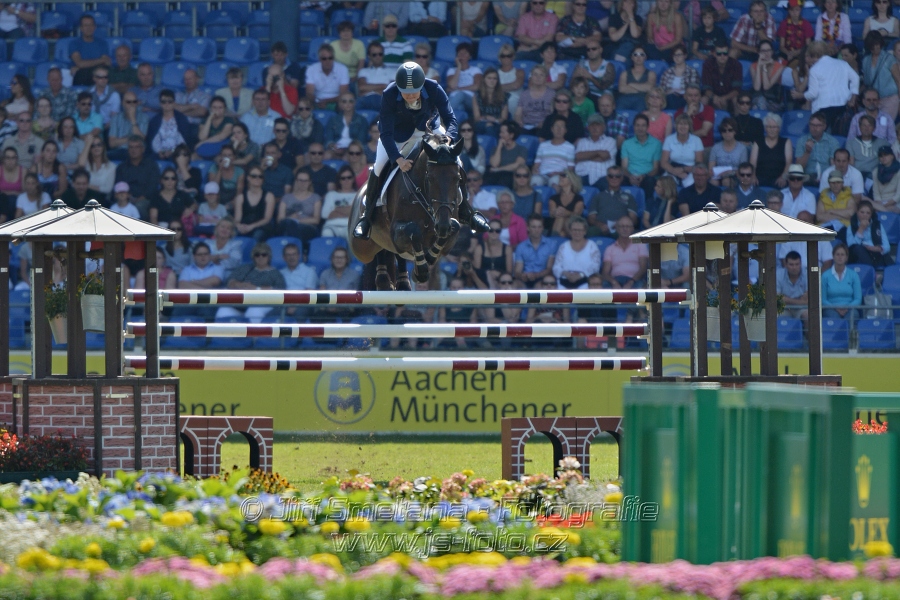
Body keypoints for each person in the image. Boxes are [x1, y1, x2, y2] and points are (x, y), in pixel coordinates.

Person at [352, 62, 491, 240]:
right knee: (379, 166)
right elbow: (385, 133)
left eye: (413, 91)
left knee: (456, 161)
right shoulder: (389, 94)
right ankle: (366, 218)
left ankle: (467, 212)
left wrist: (448, 136)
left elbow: (450, 118)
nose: (409, 96)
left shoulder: (433, 88)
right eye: (405, 92)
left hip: (429, 131)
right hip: (397, 135)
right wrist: (398, 159)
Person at [792, 41, 859, 130]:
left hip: (823, 109)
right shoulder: (842, 64)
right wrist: (853, 97)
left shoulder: (814, 70)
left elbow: (813, 94)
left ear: (814, 55)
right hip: (843, 107)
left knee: (820, 138)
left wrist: (801, 95)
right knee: (839, 139)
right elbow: (856, 78)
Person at [217, 242, 286, 323]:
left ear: (269, 256)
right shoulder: (245, 268)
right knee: (223, 311)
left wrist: (256, 289)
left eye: (264, 254)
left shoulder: (275, 273)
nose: (260, 257)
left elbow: (280, 290)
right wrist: (240, 285)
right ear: (253, 256)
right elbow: (229, 281)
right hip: (240, 303)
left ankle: (253, 335)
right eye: (257, 254)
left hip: (261, 303)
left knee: (253, 311)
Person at [587, 166, 638, 237]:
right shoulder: (598, 196)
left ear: (622, 178)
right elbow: (591, 218)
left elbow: (633, 219)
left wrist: (621, 224)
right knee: (587, 232)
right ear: (607, 178)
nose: (614, 178)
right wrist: (600, 225)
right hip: (600, 227)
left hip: (621, 228)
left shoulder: (629, 197)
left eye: (617, 176)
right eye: (611, 176)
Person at [114, 136, 159, 217]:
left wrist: (142, 198)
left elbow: (153, 186)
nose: (133, 150)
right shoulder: (121, 167)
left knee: (139, 206)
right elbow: (118, 186)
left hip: (146, 200)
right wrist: (127, 197)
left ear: (143, 149)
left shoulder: (151, 165)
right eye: (131, 147)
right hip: (125, 198)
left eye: (137, 147)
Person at [620, 113, 662, 199]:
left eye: (643, 125)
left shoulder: (656, 144)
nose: (640, 128)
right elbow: (624, 167)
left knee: (650, 181)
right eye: (637, 125)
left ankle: (646, 209)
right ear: (634, 127)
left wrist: (643, 176)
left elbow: (655, 169)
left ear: (647, 127)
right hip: (630, 176)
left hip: (647, 177)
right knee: (619, 179)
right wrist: (630, 177)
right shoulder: (626, 143)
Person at [600, 215, 647, 291]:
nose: (625, 229)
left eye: (628, 226)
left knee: (641, 287)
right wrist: (614, 282)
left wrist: (631, 282)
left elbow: (643, 268)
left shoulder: (640, 246)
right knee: (605, 286)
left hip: (635, 280)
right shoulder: (610, 248)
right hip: (615, 280)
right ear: (617, 229)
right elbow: (605, 273)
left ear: (632, 229)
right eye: (622, 226)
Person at [553, 216, 600, 289]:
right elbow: (556, 267)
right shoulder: (563, 246)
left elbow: (595, 267)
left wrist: (580, 275)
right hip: (564, 281)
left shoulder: (592, 246)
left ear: (585, 231)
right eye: (574, 230)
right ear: (570, 231)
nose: (577, 232)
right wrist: (566, 274)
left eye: (580, 230)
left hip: (585, 281)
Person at [844, 199, 892, 269]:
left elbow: (887, 246)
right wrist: (861, 229)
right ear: (857, 212)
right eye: (862, 212)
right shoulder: (851, 227)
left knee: (886, 256)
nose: (865, 215)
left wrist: (878, 249)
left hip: (876, 253)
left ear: (871, 214)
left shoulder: (877, 225)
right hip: (859, 256)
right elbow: (852, 246)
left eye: (868, 213)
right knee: (858, 249)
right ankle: (873, 273)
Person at [794, 111, 840, 186]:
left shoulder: (833, 142)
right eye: (812, 125)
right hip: (806, 178)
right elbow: (798, 167)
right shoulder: (802, 141)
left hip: (826, 178)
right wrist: (807, 152)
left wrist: (827, 176)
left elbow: (834, 166)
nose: (815, 128)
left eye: (818, 125)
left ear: (824, 126)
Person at [861, 32, 898, 122]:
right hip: (873, 100)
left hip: (889, 98)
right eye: (873, 45)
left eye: (877, 44)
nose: (876, 48)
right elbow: (866, 82)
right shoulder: (866, 60)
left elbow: (898, 79)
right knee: (872, 126)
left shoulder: (889, 58)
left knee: (884, 125)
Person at [277, 170, 322, 243]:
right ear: (296, 181)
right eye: (300, 180)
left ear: (309, 182)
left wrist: (296, 221)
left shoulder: (315, 198)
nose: (302, 183)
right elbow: (280, 219)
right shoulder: (286, 197)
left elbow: (316, 220)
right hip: (287, 226)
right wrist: (290, 219)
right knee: (288, 225)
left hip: (307, 227)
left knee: (292, 227)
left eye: (305, 181)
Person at [234, 164, 276, 242]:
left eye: (260, 176)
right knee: (234, 233)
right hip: (245, 226)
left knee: (257, 235)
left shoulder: (269, 196)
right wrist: (239, 226)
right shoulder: (240, 197)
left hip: (261, 227)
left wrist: (252, 226)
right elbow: (237, 218)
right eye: (254, 176)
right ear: (248, 178)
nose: (257, 178)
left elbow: (267, 219)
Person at [531, 116, 576, 187]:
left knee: (555, 181)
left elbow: (570, 168)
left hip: (559, 175)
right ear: (552, 129)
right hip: (542, 174)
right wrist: (534, 169)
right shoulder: (543, 145)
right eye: (556, 126)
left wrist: (559, 173)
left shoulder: (570, 147)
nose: (559, 129)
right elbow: (536, 164)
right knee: (535, 180)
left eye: (562, 127)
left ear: (565, 130)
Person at [751, 113, 792, 188]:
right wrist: (753, 176)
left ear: (779, 128)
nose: (772, 130)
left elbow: (788, 162)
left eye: (774, 127)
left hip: (779, 179)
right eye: (769, 127)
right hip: (760, 178)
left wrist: (783, 177)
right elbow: (753, 163)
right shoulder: (757, 142)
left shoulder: (786, 142)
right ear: (765, 128)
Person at [514, 214, 556, 288]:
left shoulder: (551, 244)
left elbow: (549, 269)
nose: (537, 230)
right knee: (514, 285)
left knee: (539, 286)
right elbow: (517, 271)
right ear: (528, 228)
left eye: (539, 227)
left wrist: (537, 275)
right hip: (525, 278)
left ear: (543, 228)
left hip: (542, 278)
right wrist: (522, 276)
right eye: (534, 227)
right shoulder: (521, 246)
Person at [575, 114, 617, 187]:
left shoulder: (610, 141)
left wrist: (585, 157)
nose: (594, 128)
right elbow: (578, 157)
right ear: (588, 127)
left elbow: (605, 156)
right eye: (592, 125)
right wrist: (598, 152)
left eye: (597, 125)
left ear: (603, 127)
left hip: (602, 176)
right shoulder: (582, 141)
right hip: (582, 176)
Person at [822, 242, 861, 319]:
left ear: (846, 258)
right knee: (833, 317)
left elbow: (858, 299)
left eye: (842, 255)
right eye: (837, 254)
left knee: (853, 316)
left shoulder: (854, 275)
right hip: (831, 309)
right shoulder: (825, 276)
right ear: (833, 256)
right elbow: (823, 299)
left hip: (850, 309)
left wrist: (847, 307)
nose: (840, 257)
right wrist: (835, 308)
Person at [661, 114, 704, 185]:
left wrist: (684, 170)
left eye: (685, 124)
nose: (683, 127)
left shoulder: (697, 140)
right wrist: (674, 171)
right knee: (666, 184)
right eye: (680, 124)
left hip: (690, 170)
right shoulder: (669, 139)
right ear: (676, 126)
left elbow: (699, 164)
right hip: (673, 169)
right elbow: (663, 162)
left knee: (691, 184)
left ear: (689, 126)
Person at [70, 14, 110, 86]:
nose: (89, 28)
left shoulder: (102, 43)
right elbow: (80, 63)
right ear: (81, 28)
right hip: (81, 78)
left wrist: (81, 67)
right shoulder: (74, 43)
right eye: (86, 25)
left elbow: (107, 63)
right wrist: (100, 60)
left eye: (91, 25)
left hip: (98, 78)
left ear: (95, 27)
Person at [702, 41, 742, 112]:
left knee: (736, 99)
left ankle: (737, 122)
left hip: (730, 96)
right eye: (719, 53)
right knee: (704, 99)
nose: (722, 56)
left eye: (725, 53)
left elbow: (736, 90)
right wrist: (715, 97)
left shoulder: (736, 65)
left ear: (729, 53)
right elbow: (707, 88)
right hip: (713, 97)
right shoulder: (707, 65)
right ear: (714, 54)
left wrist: (724, 98)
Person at [108, 90, 149, 160]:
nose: (132, 105)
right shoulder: (116, 118)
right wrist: (130, 138)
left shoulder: (144, 117)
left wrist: (133, 119)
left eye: (134, 102)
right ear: (123, 103)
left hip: (137, 151)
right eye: (128, 102)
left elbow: (141, 140)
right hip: (120, 151)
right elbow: (112, 143)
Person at [486, 121, 527, 188]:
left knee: (504, 180)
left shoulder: (521, 149)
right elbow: (494, 164)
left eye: (503, 132)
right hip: (496, 175)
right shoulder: (495, 149)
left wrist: (498, 169)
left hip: (511, 175)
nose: (500, 135)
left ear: (511, 135)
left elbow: (517, 165)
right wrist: (499, 147)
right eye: (500, 132)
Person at [847, 115, 890, 180]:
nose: (866, 128)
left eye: (870, 125)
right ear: (859, 127)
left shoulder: (883, 143)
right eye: (864, 125)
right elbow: (851, 163)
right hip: (857, 175)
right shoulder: (851, 143)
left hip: (875, 175)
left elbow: (888, 161)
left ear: (874, 128)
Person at [709, 118, 748, 188]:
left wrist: (728, 173)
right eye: (724, 130)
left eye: (730, 130)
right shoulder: (715, 148)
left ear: (735, 131)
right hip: (719, 176)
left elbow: (743, 169)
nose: (727, 133)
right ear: (721, 133)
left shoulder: (742, 148)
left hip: (736, 177)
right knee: (713, 182)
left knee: (726, 181)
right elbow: (711, 169)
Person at [514, 66, 555, 132]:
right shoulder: (524, 94)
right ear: (531, 77)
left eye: (541, 75)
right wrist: (519, 121)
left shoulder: (552, 94)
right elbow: (518, 113)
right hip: (526, 126)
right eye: (535, 74)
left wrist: (545, 123)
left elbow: (553, 114)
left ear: (546, 78)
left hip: (544, 127)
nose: (538, 77)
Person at [77, 134, 116, 203]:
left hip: (103, 199)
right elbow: (81, 164)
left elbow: (107, 189)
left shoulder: (111, 166)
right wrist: (88, 144)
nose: (96, 147)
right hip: (86, 197)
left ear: (103, 147)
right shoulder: (87, 164)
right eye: (93, 146)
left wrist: (86, 186)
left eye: (99, 145)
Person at [660, 44, 700, 111]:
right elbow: (661, 91)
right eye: (674, 55)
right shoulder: (667, 72)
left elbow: (694, 90)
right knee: (671, 98)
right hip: (669, 99)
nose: (676, 57)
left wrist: (682, 93)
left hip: (686, 99)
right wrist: (672, 91)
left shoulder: (692, 72)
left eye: (679, 55)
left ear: (685, 56)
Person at [472, 68, 509, 138]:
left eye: (494, 78)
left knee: (492, 127)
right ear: (484, 79)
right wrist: (486, 118)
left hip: (498, 123)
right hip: (481, 123)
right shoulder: (477, 95)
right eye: (489, 78)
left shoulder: (504, 96)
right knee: (488, 126)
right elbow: (476, 117)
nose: (492, 81)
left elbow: (504, 118)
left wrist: (495, 120)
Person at [617, 45, 656, 112]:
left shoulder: (651, 73)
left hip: (643, 100)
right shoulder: (625, 73)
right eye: (635, 54)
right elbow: (622, 89)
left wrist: (630, 84)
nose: (638, 57)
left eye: (641, 54)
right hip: (626, 99)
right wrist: (642, 89)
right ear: (632, 57)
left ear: (645, 57)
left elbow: (649, 88)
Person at [777, 0, 814, 69]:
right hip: (786, 52)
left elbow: (808, 45)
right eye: (792, 10)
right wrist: (788, 53)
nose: (794, 12)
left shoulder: (806, 24)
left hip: (801, 52)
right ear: (788, 11)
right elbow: (781, 46)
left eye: (797, 10)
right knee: (779, 60)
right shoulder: (784, 24)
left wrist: (797, 52)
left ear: (800, 10)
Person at [751, 40, 786, 112]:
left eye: (768, 50)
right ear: (759, 52)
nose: (766, 53)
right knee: (759, 101)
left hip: (774, 99)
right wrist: (759, 66)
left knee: (760, 102)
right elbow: (757, 88)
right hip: (759, 98)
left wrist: (764, 68)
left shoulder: (779, 67)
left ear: (772, 52)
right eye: (763, 51)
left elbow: (767, 87)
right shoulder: (753, 66)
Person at [676, 84, 715, 149]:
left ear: (700, 97)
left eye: (696, 95)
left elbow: (704, 132)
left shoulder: (709, 110)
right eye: (690, 95)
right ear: (685, 96)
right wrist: (688, 114)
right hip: (685, 147)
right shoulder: (679, 113)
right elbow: (680, 131)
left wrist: (685, 136)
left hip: (705, 147)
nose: (693, 98)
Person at [777, 250, 809, 324]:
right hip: (784, 308)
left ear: (801, 264)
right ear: (786, 264)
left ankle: (810, 336)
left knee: (809, 316)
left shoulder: (807, 274)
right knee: (773, 315)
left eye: (797, 264)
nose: (794, 267)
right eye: (791, 264)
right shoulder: (778, 275)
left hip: (801, 309)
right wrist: (800, 301)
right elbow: (778, 298)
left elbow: (808, 300)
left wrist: (786, 299)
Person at [873, 145, 900, 213]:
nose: (883, 157)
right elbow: (876, 193)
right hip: (880, 202)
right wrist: (879, 204)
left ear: (892, 156)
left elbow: (898, 195)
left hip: (896, 202)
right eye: (881, 156)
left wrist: (884, 206)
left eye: (886, 154)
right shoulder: (876, 171)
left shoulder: (899, 171)